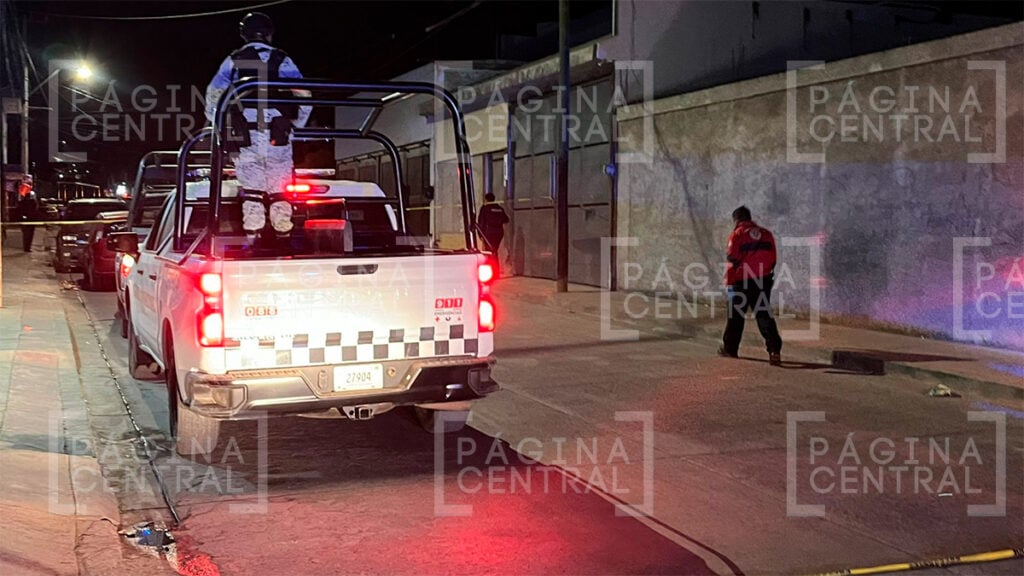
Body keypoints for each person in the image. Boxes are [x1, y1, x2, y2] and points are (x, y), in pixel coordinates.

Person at [205, 11, 311, 237]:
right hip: (277, 130)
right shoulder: (282, 58)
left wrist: (218, 125)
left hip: (245, 130)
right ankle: (282, 227)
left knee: (251, 182)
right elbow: (304, 92)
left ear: (244, 35)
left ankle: (253, 231)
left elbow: (214, 94)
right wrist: (298, 122)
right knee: (280, 180)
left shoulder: (233, 59)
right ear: (270, 34)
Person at [719, 205, 783, 365]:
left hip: (741, 281)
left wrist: (730, 283)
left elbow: (732, 259)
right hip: (762, 280)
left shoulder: (737, 234)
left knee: (735, 316)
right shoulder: (766, 234)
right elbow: (773, 258)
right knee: (763, 315)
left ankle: (730, 349)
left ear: (737, 220)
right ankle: (774, 350)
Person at [476, 192, 509, 276]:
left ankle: (491, 272)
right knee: (494, 251)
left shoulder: (485, 208)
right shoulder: (499, 208)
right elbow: (506, 219)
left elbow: (481, 222)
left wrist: (480, 234)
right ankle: (496, 271)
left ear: (486, 199)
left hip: (489, 232)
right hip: (499, 232)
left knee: (489, 252)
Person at [16, 181, 40, 252]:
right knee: (29, 234)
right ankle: (27, 247)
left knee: (27, 234)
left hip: (28, 220)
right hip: (30, 220)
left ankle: (27, 247)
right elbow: (35, 209)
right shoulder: (30, 202)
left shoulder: (25, 202)